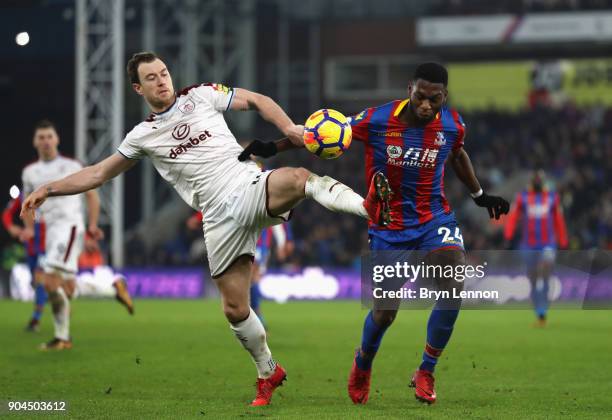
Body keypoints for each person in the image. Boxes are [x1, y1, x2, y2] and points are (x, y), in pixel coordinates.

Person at [21, 51, 389, 407]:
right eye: (151, 77)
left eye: (163, 72)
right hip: (215, 217)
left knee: (298, 179)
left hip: (246, 186)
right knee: (235, 309)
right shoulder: (142, 136)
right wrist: (48, 189)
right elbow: (99, 173)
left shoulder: (200, 95)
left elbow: (258, 99)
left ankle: (366, 207)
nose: (161, 80)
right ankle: (268, 371)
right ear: (138, 89)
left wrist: (290, 128)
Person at [342, 63, 509, 405]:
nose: (426, 105)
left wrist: (480, 196)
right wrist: (277, 144)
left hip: (434, 220)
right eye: (420, 96)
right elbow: (330, 132)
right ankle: (363, 363)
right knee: (385, 313)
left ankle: (426, 369)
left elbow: (458, 154)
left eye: (434, 99)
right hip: (389, 227)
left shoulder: (453, 124)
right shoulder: (377, 119)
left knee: (453, 278)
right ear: (409, 89)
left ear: (443, 96)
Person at [20, 119, 108, 350]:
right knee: (67, 287)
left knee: (48, 280)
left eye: (50, 136)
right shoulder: (30, 172)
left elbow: (92, 194)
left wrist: (92, 225)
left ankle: (62, 337)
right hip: (50, 232)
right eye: (41, 137)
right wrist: (29, 228)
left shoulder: (71, 165)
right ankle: (112, 286)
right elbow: (28, 203)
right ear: (34, 142)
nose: (46, 141)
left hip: (69, 228)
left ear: (57, 139)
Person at [504, 169, 568, 326]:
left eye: (541, 178)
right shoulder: (522, 198)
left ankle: (543, 310)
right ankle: (539, 313)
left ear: (544, 180)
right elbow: (513, 217)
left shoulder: (553, 197)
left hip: (548, 244)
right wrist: (508, 235)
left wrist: (563, 241)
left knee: (545, 273)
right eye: (536, 178)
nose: (538, 181)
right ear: (532, 180)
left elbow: (558, 219)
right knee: (533, 279)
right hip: (528, 245)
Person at [2, 192, 47, 331]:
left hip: (47, 245)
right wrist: (11, 227)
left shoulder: (50, 191)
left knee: (40, 279)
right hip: (31, 246)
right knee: (35, 281)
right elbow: (7, 214)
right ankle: (55, 299)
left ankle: (36, 318)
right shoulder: (24, 194)